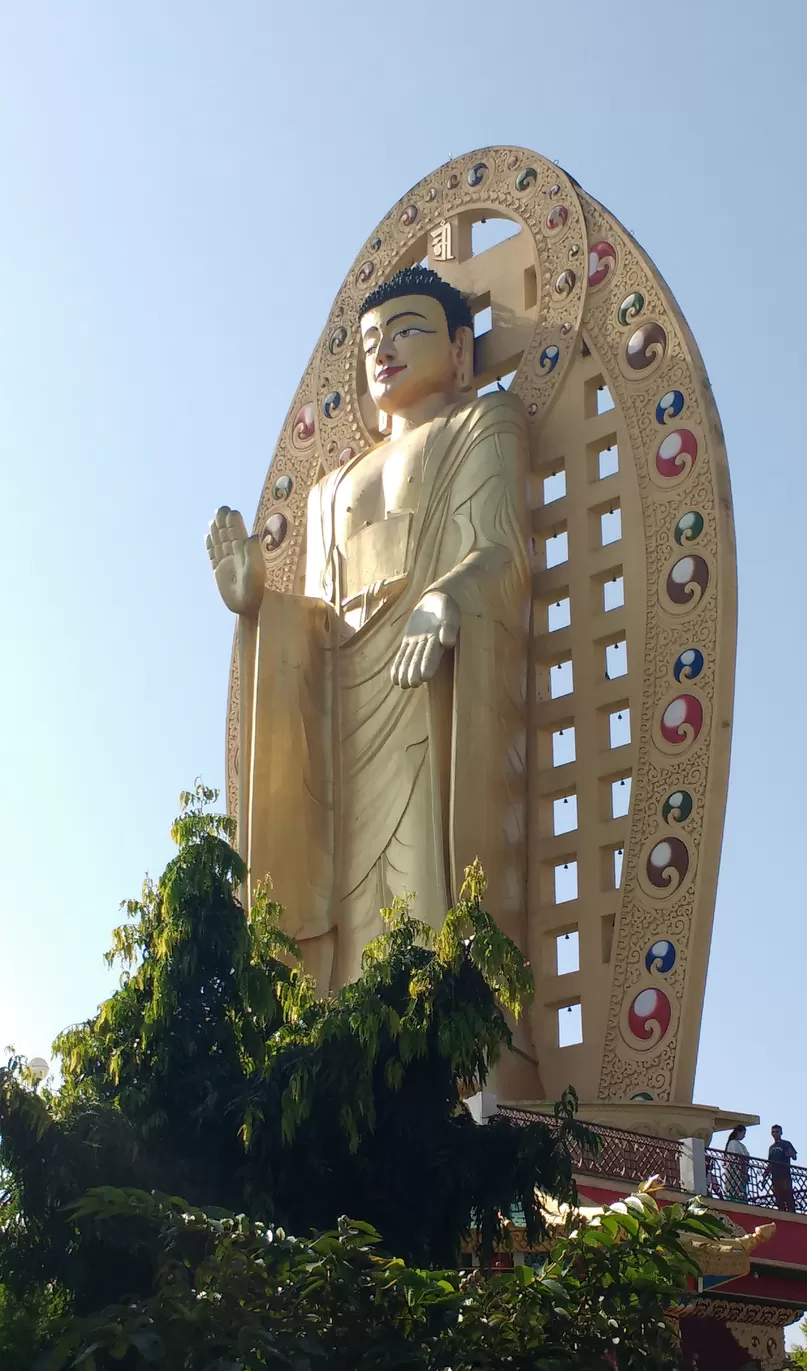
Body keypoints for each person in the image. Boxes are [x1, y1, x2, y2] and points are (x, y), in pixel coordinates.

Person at [208, 267, 537, 1093]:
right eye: (369, 342)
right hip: (340, 712)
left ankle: (440, 1074)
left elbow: (500, 551)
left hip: (427, 690)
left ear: (461, 350)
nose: (384, 350)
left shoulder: (482, 425)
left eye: (408, 330)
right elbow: (314, 618)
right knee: (340, 913)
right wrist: (258, 608)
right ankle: (337, 1075)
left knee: (424, 891)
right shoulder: (326, 493)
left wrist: (450, 596)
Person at [766, 1124, 797, 1213]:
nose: (775, 1134)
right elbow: (770, 1163)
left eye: (777, 1132)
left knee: (787, 1192)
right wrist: (765, 1176)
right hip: (775, 1175)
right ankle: (781, 1210)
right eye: (773, 1132)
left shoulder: (786, 1143)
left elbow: (794, 1156)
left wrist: (790, 1154)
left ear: (781, 1133)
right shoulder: (771, 1148)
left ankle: (791, 1211)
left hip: (784, 1173)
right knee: (778, 1194)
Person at [723, 1124, 750, 1202]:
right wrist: (743, 1172)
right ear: (738, 1132)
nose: (744, 1136)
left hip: (739, 1171)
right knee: (736, 1190)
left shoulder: (739, 1144)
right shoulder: (733, 1143)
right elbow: (739, 1159)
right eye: (743, 1133)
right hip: (736, 1171)